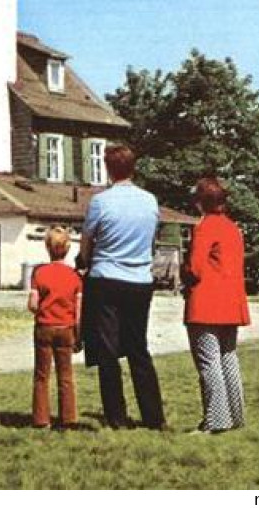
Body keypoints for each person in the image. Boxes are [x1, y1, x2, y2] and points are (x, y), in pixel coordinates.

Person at [80, 143, 166, 430]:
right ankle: (154, 416)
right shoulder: (150, 201)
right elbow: (152, 241)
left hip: (106, 279)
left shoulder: (100, 202)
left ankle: (116, 416)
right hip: (139, 280)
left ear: (108, 169)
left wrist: (84, 261)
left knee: (107, 351)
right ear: (133, 168)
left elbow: (87, 242)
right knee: (138, 348)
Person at [183, 176, 250, 434]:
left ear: (201, 202)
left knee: (208, 363)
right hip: (231, 304)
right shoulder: (233, 228)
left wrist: (183, 272)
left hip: (206, 304)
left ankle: (215, 421)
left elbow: (196, 268)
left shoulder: (205, 226)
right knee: (228, 359)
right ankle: (235, 417)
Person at [28, 224, 82, 429]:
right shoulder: (75, 276)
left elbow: (32, 304)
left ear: (47, 247)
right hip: (66, 328)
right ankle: (68, 418)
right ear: (68, 248)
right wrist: (78, 333)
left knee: (42, 375)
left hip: (44, 327)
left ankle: (41, 419)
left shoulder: (39, 273)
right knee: (66, 375)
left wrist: (40, 310)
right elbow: (78, 310)